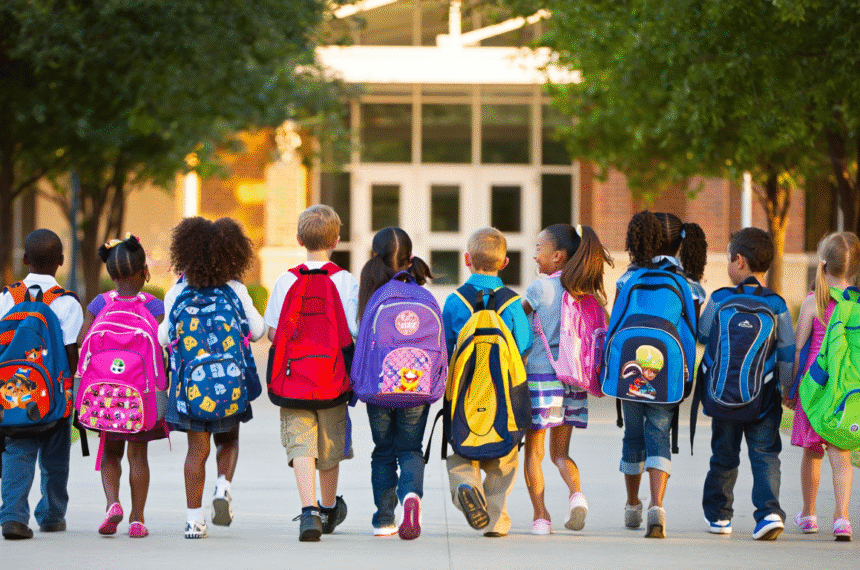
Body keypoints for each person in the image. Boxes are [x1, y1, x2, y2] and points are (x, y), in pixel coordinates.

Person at [158, 217, 265, 539]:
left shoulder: (176, 292)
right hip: (230, 384)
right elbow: (257, 331)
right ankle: (223, 487)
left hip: (189, 389)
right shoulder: (235, 290)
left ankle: (193, 521)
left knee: (196, 451)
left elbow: (164, 338)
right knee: (229, 439)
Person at [264, 204, 358, 541]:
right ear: (336, 240)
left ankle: (309, 512)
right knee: (330, 447)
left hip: (293, 380)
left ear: (299, 239)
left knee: (301, 445)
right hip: (332, 378)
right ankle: (329, 507)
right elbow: (354, 330)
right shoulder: (345, 281)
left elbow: (272, 332)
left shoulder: (286, 279)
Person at [616, 211, 707, 538]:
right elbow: (693, 332)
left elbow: (617, 323)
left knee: (632, 435)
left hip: (630, 370)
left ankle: (631, 505)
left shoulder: (628, 278)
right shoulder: (690, 285)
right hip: (668, 370)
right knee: (659, 434)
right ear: (682, 242)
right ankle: (657, 505)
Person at [698, 227, 794, 540]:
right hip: (763, 397)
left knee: (723, 456)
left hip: (723, 396)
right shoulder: (778, 305)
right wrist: (787, 389)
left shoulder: (720, 299)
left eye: (728, 258)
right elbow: (787, 354)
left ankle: (720, 517)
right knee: (765, 455)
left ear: (739, 261)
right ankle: (768, 514)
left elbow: (703, 334)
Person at [521, 224, 611, 535]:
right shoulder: (588, 294)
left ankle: (541, 518)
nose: (535, 255)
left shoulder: (540, 288)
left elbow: (518, 326)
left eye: (539, 249)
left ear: (558, 256)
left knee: (534, 451)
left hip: (541, 377)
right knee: (561, 454)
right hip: (574, 380)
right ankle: (576, 495)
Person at [442, 227, 532, 538]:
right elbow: (523, 344)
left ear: (466, 260)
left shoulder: (455, 301)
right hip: (503, 393)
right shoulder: (511, 303)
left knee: (461, 451)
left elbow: (446, 345)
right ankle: (496, 519)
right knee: (504, 456)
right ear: (504, 262)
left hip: (463, 391)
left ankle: (468, 486)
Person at [76, 234, 167, 538]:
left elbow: (81, 342)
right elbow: (163, 345)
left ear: (111, 275)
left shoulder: (100, 303)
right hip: (139, 397)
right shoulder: (154, 306)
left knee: (110, 454)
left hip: (104, 395)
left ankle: (112, 503)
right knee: (137, 457)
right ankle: (137, 519)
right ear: (145, 273)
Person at [0, 229, 83, 539]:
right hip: (54, 395)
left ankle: (12, 517)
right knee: (55, 459)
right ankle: (50, 515)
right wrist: (72, 391)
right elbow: (70, 350)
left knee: (16, 452)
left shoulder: (8, 296)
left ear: (24, 260)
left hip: (13, 395)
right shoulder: (67, 302)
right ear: (61, 261)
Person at [355, 227, 434, 539]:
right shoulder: (424, 296)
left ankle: (385, 518)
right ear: (410, 259)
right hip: (417, 389)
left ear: (376, 258)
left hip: (379, 389)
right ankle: (411, 496)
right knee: (411, 448)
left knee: (383, 451)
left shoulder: (372, 295)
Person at [787, 232, 860, 540]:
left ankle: (808, 514)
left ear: (823, 264)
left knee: (812, 453)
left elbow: (798, 349)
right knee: (841, 456)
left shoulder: (812, 302)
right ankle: (842, 518)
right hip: (845, 392)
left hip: (814, 391)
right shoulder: (856, 306)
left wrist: (791, 390)